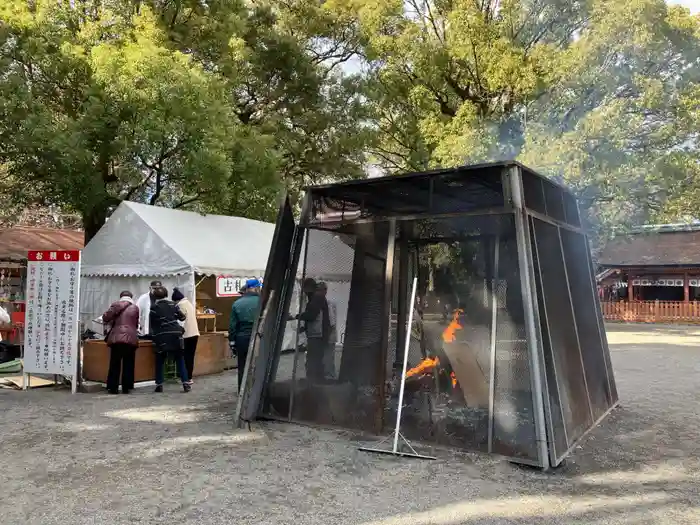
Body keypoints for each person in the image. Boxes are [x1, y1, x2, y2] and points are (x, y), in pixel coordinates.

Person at [149, 286, 190, 393]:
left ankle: (159, 384)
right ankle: (185, 383)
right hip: (176, 334)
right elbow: (182, 317)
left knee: (160, 360)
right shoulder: (173, 304)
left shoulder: (154, 308)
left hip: (162, 335)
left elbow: (153, 325)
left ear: (154, 296)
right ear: (166, 294)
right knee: (180, 359)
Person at [102, 291, 140, 394]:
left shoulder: (115, 305)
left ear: (121, 297)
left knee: (115, 363)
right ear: (131, 297)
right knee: (129, 362)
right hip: (131, 337)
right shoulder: (135, 308)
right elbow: (136, 323)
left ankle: (113, 388)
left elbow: (105, 318)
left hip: (116, 338)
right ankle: (126, 388)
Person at [229, 278, 261, 391]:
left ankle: (242, 392)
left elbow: (232, 326)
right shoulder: (262, 301)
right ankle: (256, 392)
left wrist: (232, 343)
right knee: (258, 366)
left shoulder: (237, 304)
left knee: (242, 366)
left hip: (241, 338)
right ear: (256, 288)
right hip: (258, 337)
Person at [296, 278, 331, 382]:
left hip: (317, 335)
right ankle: (316, 380)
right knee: (316, 359)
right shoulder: (317, 297)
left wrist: (297, 316)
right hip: (318, 334)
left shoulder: (316, 297)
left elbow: (312, 315)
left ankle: (313, 381)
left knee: (313, 359)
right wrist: (304, 328)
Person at [172, 288, 199, 384]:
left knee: (184, 357)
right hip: (194, 333)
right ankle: (190, 377)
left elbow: (181, 321)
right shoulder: (189, 303)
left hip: (186, 335)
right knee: (190, 356)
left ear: (176, 300)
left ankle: (186, 377)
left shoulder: (181, 305)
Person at [317, 282, 337, 379]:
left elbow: (332, 323)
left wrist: (326, 335)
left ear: (325, 291)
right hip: (325, 335)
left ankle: (330, 376)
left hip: (329, 335)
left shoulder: (328, 305)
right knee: (325, 357)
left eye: (320, 290)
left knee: (328, 357)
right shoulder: (324, 303)